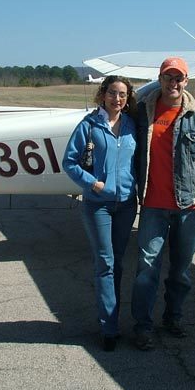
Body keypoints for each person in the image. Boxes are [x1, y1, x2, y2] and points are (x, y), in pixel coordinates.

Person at [131, 57, 195, 351]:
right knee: (146, 269)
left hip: (189, 206)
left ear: (186, 82)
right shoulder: (141, 113)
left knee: (180, 271)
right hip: (153, 206)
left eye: (179, 78)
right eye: (168, 77)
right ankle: (143, 327)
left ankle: (173, 317)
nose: (174, 83)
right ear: (160, 79)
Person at [63, 76, 138, 352]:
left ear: (128, 98)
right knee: (105, 263)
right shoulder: (89, 125)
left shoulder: (132, 126)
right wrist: (93, 183)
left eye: (122, 94)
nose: (117, 99)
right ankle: (109, 328)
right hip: (98, 204)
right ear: (103, 95)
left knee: (118, 263)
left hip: (127, 204)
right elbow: (69, 162)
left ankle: (113, 319)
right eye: (112, 93)